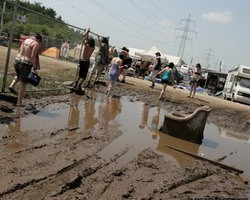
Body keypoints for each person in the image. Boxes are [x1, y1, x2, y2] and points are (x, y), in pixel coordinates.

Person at [8, 33, 42, 107]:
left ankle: (11, 86)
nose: (39, 44)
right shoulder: (35, 43)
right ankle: (19, 103)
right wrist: (35, 68)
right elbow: (33, 57)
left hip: (16, 61)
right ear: (38, 39)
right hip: (25, 64)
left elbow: (19, 50)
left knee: (18, 75)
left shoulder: (25, 40)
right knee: (23, 84)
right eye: (40, 42)